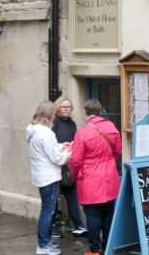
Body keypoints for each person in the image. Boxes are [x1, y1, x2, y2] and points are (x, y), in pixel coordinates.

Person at [70, 98, 122, 255]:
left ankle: (94, 249)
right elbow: (118, 151)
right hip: (109, 177)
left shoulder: (83, 132)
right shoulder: (111, 127)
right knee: (108, 213)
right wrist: (107, 163)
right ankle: (107, 246)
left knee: (92, 215)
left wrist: (74, 175)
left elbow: (75, 160)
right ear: (100, 112)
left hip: (90, 179)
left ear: (85, 113)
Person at [27, 100, 71, 255]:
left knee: (47, 210)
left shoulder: (34, 130)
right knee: (47, 211)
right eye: (53, 113)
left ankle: (46, 240)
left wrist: (61, 146)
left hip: (41, 175)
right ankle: (43, 245)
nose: (54, 116)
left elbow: (47, 151)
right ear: (48, 115)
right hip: (49, 177)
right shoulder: (46, 133)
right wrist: (69, 151)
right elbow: (58, 159)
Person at [52, 96, 88, 237]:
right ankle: (53, 226)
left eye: (68, 107)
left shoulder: (72, 124)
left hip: (68, 164)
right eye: (63, 107)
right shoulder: (54, 123)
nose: (66, 109)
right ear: (58, 108)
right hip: (55, 164)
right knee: (53, 199)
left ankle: (78, 225)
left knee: (72, 196)